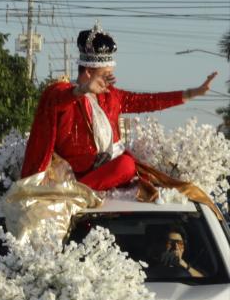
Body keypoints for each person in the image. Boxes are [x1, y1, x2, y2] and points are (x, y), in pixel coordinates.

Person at [20, 27, 217, 191]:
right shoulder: (62, 92)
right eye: (105, 75)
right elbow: (56, 100)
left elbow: (149, 101)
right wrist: (81, 90)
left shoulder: (111, 96)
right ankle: (74, 194)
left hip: (106, 172)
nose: (109, 80)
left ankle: (78, 193)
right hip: (68, 175)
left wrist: (192, 93)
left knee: (126, 165)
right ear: (88, 72)